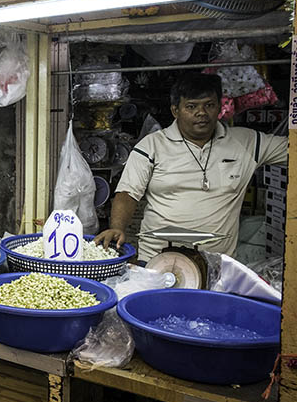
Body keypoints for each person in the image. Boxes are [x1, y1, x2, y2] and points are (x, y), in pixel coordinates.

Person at [95, 73, 288, 262]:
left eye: (209, 105)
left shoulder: (246, 142)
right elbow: (127, 193)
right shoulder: (152, 146)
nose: (201, 113)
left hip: (217, 264)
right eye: (191, 106)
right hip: (158, 261)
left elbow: (291, 149)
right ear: (175, 110)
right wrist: (117, 227)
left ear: (219, 107)